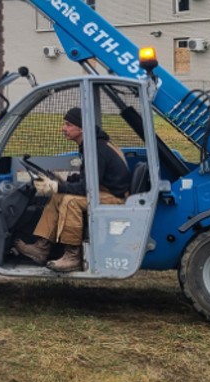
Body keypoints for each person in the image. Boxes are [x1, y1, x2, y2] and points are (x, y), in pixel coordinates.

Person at [14, 106, 131, 272]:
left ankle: (73, 257)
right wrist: (64, 182)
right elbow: (90, 179)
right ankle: (41, 248)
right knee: (57, 197)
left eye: (68, 124)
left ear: (82, 127)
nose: (63, 128)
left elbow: (87, 188)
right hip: (103, 190)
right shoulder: (91, 144)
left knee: (70, 202)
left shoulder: (96, 149)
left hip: (115, 196)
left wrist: (57, 186)